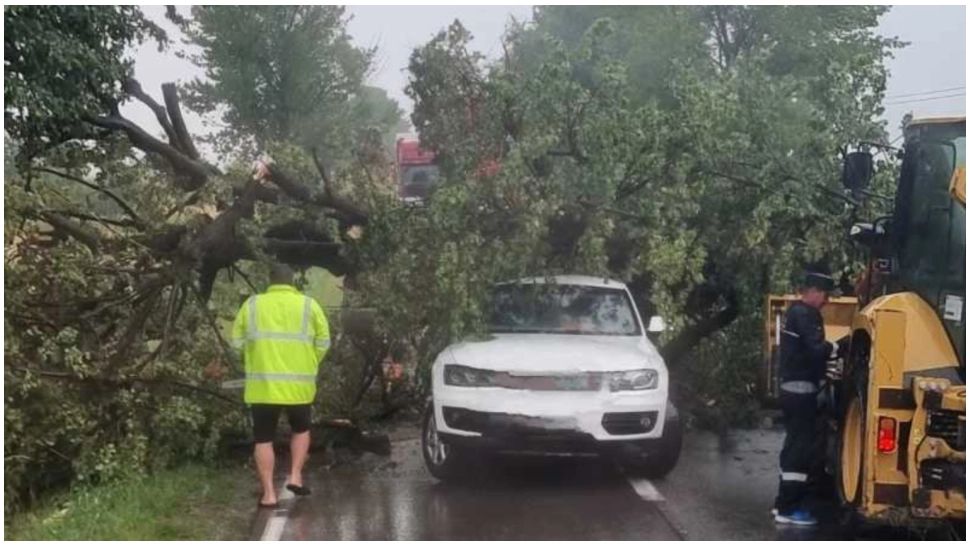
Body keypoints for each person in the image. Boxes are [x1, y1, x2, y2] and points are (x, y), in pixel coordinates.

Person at [231, 263, 331, 509]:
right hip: (299, 387)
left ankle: (268, 495)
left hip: (263, 387)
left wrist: (252, 359)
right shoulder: (309, 305)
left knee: (263, 439)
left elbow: (236, 343)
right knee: (301, 429)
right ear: (293, 282)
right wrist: (310, 363)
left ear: (270, 281)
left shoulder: (252, 305)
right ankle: (295, 475)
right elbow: (324, 342)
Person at [772, 267, 837, 526]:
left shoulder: (794, 312)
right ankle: (789, 508)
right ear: (812, 292)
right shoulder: (807, 315)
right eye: (824, 295)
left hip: (791, 388)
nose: (826, 301)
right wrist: (836, 347)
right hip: (801, 390)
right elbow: (816, 350)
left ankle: (781, 504)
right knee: (800, 449)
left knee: (792, 444)